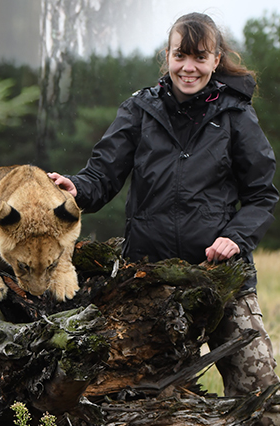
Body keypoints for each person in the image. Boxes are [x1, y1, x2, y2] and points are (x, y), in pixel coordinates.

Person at [49, 12, 279, 407]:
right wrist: (77, 189)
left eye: (200, 57)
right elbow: (102, 175)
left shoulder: (237, 115)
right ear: (167, 56)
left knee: (261, 396)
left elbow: (261, 195)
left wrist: (235, 238)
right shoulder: (139, 109)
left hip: (222, 278)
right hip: (150, 278)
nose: (189, 67)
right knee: (149, 401)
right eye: (180, 56)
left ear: (216, 59)